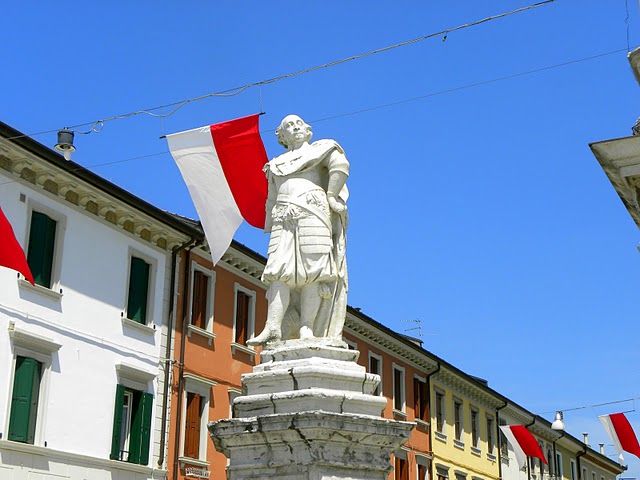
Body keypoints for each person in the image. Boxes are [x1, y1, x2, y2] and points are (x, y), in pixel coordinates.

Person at [247, 114, 349, 346]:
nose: (294, 128)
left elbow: (341, 166)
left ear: (307, 129)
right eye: (288, 126)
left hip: (313, 212)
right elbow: (271, 197)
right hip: (283, 217)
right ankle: (273, 326)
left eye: (298, 124)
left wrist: (332, 195)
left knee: (312, 272)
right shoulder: (275, 164)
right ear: (282, 136)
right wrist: (270, 221)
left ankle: (307, 328)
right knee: (278, 271)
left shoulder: (321, 149)